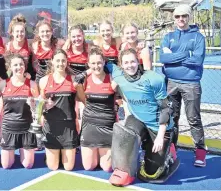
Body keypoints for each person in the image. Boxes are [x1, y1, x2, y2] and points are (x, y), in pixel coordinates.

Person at [76, 48, 178, 186]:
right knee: (126, 134)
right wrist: (84, 73)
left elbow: (166, 108)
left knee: (151, 174)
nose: (130, 65)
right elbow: (99, 65)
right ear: (121, 65)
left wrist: (160, 136)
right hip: (138, 120)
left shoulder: (154, 79)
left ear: (138, 61)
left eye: (133, 61)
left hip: (158, 126)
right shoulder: (118, 73)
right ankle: (125, 171)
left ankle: (168, 152)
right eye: (126, 63)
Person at [159, 4, 207, 167]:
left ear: (189, 17)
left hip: (191, 84)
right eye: (178, 16)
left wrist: (175, 57)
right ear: (174, 19)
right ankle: (172, 149)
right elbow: (164, 58)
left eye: (184, 16)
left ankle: (200, 152)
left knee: (194, 119)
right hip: (171, 83)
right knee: (172, 118)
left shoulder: (198, 37)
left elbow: (197, 60)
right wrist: (186, 55)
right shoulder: (168, 36)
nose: (181, 19)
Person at [76, 47, 117, 172]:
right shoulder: (84, 80)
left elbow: (120, 100)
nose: (96, 66)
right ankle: (96, 153)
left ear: (104, 62)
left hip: (107, 126)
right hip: (90, 125)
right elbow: (82, 98)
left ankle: (103, 153)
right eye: (93, 63)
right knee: (89, 167)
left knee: (107, 168)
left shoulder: (112, 79)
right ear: (88, 64)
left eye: (99, 62)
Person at [39, 49, 80, 171]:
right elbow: (40, 104)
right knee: (53, 167)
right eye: (57, 60)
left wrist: (78, 118)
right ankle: (53, 155)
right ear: (52, 61)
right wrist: (44, 106)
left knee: (68, 167)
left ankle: (63, 153)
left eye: (63, 60)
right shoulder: (44, 80)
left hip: (68, 127)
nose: (60, 63)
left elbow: (81, 100)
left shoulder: (74, 80)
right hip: (51, 126)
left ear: (67, 62)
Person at [0, 54, 39, 169]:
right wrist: (0, 130)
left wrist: (33, 105)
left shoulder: (32, 84)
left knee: (28, 165)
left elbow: (37, 108)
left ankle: (23, 148)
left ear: (25, 67)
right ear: (10, 67)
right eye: (15, 65)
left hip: (27, 127)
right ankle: (12, 151)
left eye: (21, 64)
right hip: (9, 127)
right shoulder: (3, 84)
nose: (19, 67)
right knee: (6, 165)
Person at [6, 14, 34, 79]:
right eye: (17, 31)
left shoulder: (29, 44)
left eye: (22, 31)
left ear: (25, 32)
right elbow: (8, 67)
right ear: (12, 33)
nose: (20, 34)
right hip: (13, 76)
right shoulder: (8, 46)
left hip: (27, 76)